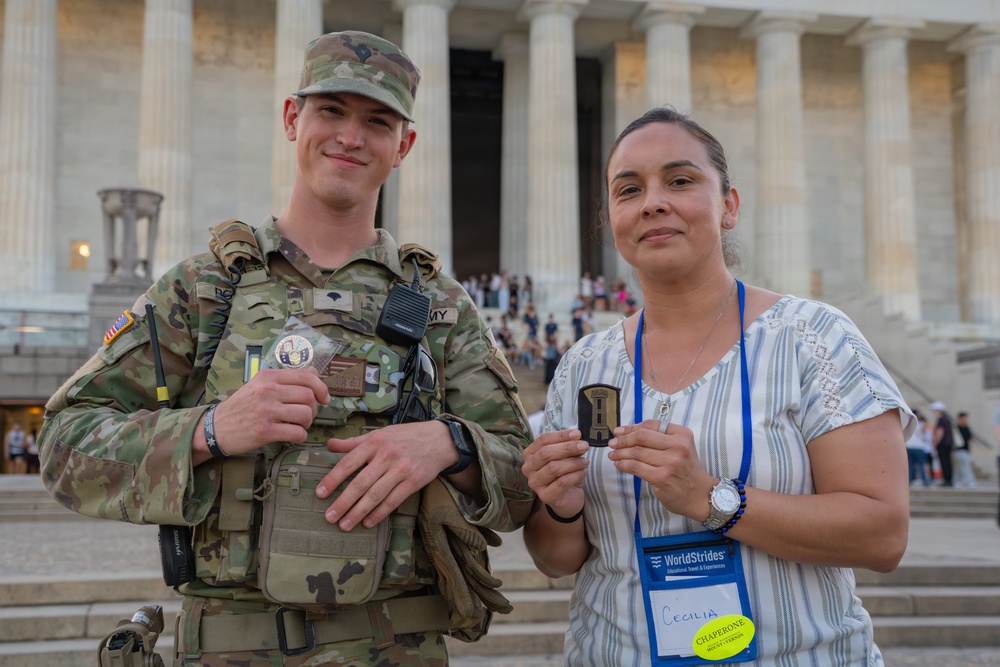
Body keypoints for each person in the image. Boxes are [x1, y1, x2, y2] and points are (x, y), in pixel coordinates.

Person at [38, 31, 533, 665]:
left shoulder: (438, 304)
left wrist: (449, 444)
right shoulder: (204, 289)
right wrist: (210, 429)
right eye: (332, 111)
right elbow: (62, 443)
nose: (351, 137)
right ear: (292, 118)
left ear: (403, 146)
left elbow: (524, 481)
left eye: (377, 121)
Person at [521, 108, 912, 666]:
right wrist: (559, 507)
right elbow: (558, 560)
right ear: (612, 221)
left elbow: (883, 534)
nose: (653, 201)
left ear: (728, 206)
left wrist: (710, 498)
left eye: (680, 181)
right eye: (629, 190)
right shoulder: (584, 365)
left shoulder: (813, 337)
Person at [930, 400, 955, 487]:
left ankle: (947, 480)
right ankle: (949, 480)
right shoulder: (947, 419)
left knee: (944, 462)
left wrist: (935, 443)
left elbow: (940, 431)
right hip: (948, 444)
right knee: (947, 462)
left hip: (943, 444)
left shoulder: (941, 419)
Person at [906, 411, 932, 486]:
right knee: (921, 464)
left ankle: (910, 480)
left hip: (910, 446)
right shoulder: (921, 424)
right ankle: (924, 480)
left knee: (910, 465)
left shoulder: (908, 423)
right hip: (919, 446)